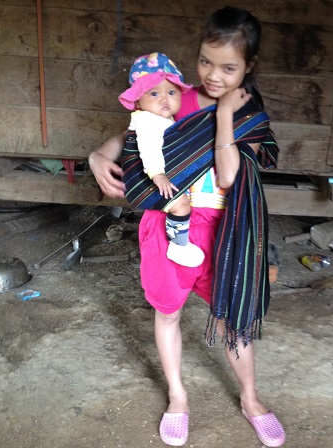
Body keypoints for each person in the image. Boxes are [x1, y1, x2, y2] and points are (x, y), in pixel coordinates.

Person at [89, 6, 286, 447]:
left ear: (249, 66)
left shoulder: (248, 114)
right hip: (168, 225)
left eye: (228, 68)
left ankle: (250, 398)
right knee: (168, 312)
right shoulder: (175, 97)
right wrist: (98, 154)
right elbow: (136, 133)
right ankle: (178, 396)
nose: (213, 76)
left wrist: (223, 115)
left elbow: (229, 175)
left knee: (232, 315)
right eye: (205, 62)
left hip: (224, 231)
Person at [118, 52, 205, 268]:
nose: (164, 99)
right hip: (148, 179)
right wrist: (158, 174)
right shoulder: (148, 121)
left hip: (153, 177)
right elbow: (149, 148)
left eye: (171, 92)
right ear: (138, 100)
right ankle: (178, 246)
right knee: (181, 205)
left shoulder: (160, 119)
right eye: (154, 93)